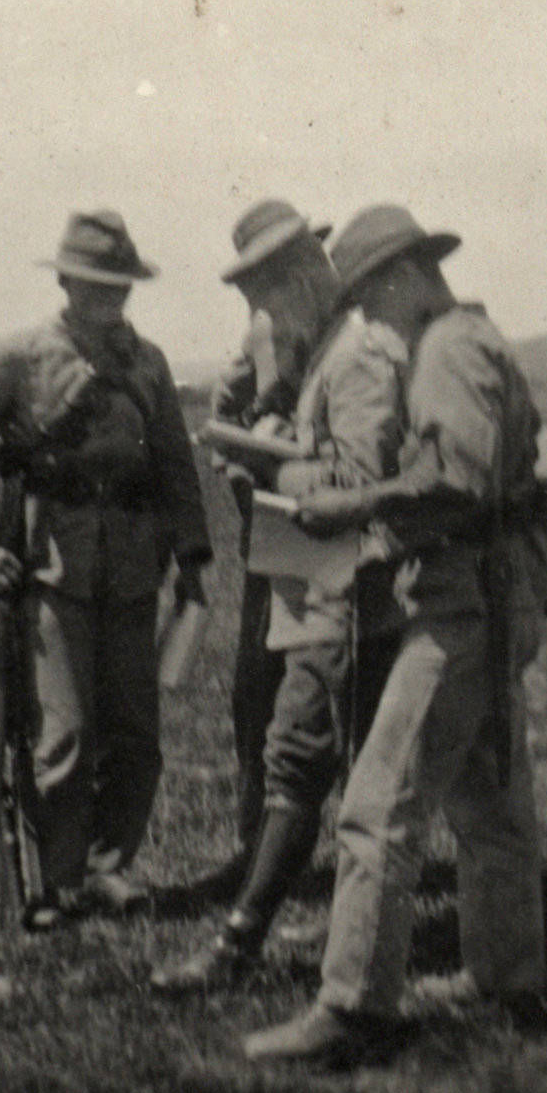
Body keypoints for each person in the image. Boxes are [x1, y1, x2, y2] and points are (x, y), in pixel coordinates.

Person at [245, 204, 547, 1065]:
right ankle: (505, 975)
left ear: (405, 278)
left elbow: (453, 481)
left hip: (461, 605)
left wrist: (353, 502)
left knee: (376, 807)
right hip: (493, 598)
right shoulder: (474, 337)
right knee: (491, 805)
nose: (370, 320)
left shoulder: (449, 350)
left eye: (371, 300)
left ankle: (352, 1005)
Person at [0, 210, 212, 927]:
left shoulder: (150, 362)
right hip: (52, 570)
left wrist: (193, 561)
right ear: (67, 280)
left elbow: (176, 465)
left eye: (123, 286)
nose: (112, 299)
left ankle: (111, 866)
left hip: (136, 569)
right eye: (98, 284)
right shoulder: (17, 355)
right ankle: (60, 879)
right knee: (65, 737)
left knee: (137, 737)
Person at [150, 200, 410, 991]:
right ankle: (360, 936)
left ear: (301, 274)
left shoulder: (355, 353)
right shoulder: (328, 344)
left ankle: (240, 947)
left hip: (352, 583)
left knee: (302, 757)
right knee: (359, 771)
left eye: (262, 291)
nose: (258, 313)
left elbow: (362, 481)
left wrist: (271, 468)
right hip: (330, 578)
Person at [200, 201, 332, 895]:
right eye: (261, 277)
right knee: (263, 681)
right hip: (281, 518)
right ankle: (258, 843)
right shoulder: (264, 328)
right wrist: (243, 449)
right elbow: (227, 412)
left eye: (286, 264)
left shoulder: (359, 314)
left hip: (354, 510)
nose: (275, 287)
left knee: (334, 679)